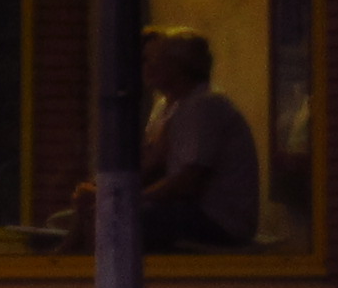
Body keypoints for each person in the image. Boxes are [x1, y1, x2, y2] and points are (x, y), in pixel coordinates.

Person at [38, 28, 263, 250]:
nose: (145, 66)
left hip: (218, 220)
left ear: (180, 65)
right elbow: (151, 163)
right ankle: (67, 262)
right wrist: (102, 191)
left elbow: (188, 182)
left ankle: (78, 270)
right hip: (183, 209)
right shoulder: (166, 106)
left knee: (111, 219)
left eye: (154, 59)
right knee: (87, 211)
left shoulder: (204, 105)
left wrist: (126, 200)